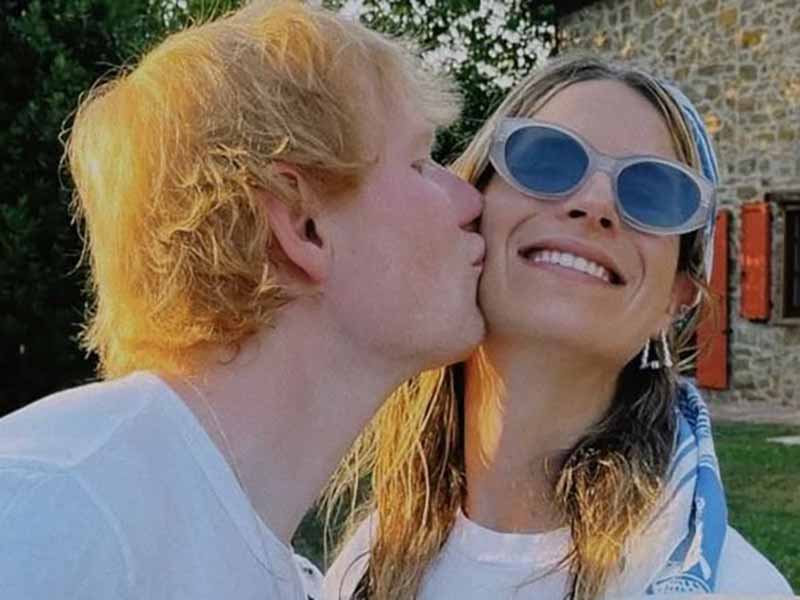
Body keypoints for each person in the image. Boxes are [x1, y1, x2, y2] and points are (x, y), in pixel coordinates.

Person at [0, 1, 487, 598]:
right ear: (304, 227)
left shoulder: (268, 571)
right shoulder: (58, 508)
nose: (470, 201)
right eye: (419, 163)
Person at [323, 55, 794, 599]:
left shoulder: (741, 589)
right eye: (547, 159)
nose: (595, 204)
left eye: (653, 192)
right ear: (473, 213)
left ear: (676, 299)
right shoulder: (362, 565)